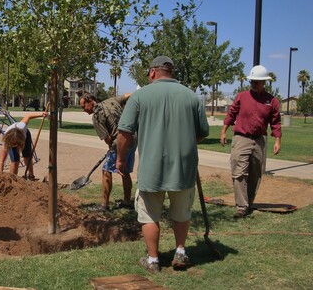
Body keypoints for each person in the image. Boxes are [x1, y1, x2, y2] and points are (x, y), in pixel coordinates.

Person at [116, 56, 209, 272]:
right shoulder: (191, 97)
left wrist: (120, 159)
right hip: (184, 168)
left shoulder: (139, 97)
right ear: (172, 72)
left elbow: (124, 133)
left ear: (152, 73)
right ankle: (180, 251)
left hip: (152, 168)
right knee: (182, 212)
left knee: (149, 214)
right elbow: (202, 133)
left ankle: (153, 260)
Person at [220, 64, 281, 218]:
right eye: (252, 81)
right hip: (241, 138)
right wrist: (223, 131)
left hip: (260, 140)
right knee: (239, 173)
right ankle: (241, 207)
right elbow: (231, 114)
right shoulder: (242, 96)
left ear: (264, 82)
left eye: (257, 81)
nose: (253, 83)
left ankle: (248, 202)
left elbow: (275, 122)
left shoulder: (271, 101)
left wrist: (277, 141)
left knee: (255, 174)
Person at [80, 92, 135, 211]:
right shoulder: (112, 100)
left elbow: (108, 139)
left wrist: (112, 148)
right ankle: (126, 202)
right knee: (124, 171)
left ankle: (104, 205)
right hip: (132, 138)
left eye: (83, 106)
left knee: (106, 171)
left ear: (90, 102)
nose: (83, 110)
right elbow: (128, 95)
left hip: (120, 142)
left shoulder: (96, 116)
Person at [0, 112, 48, 179]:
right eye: (14, 144)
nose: (16, 146)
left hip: (25, 136)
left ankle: (31, 176)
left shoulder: (22, 126)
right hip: (13, 138)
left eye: (16, 144)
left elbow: (28, 116)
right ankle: (12, 179)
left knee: (27, 156)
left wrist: (41, 114)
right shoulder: (7, 141)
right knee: (15, 161)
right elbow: (1, 161)